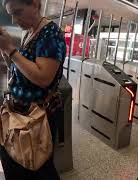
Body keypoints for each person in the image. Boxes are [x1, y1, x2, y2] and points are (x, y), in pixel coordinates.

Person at [0, 0, 66, 179]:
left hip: (38, 116)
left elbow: (44, 78)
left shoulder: (50, 33)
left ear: (35, 4)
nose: (14, 20)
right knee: (15, 160)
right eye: (11, 14)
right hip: (20, 114)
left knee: (37, 167)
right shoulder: (28, 33)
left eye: (18, 12)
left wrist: (11, 50)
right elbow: (18, 70)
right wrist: (5, 52)